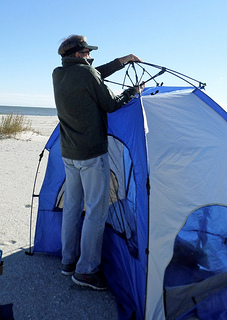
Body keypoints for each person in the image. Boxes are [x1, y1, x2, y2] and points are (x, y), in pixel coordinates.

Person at [52, 34, 144, 290]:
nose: (92, 57)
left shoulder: (58, 74)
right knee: (95, 210)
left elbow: (92, 76)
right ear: (81, 54)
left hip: (69, 153)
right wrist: (133, 92)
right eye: (89, 53)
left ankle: (68, 261)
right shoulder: (86, 74)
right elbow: (110, 104)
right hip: (92, 154)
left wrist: (120, 62)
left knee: (72, 206)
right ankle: (86, 271)